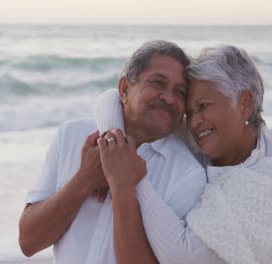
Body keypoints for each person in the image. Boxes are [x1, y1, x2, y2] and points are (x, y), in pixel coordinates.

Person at [95, 45, 272, 264]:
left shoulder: (266, 182)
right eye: (189, 111)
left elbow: (181, 254)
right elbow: (111, 99)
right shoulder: (227, 137)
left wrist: (131, 177)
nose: (194, 122)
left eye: (204, 106)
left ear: (245, 104)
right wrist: (112, 141)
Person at [18, 40, 211, 264]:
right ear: (124, 89)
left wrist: (123, 185)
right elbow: (28, 242)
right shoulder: (71, 135)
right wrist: (86, 178)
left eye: (180, 92)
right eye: (158, 83)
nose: (169, 98)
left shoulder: (187, 174)